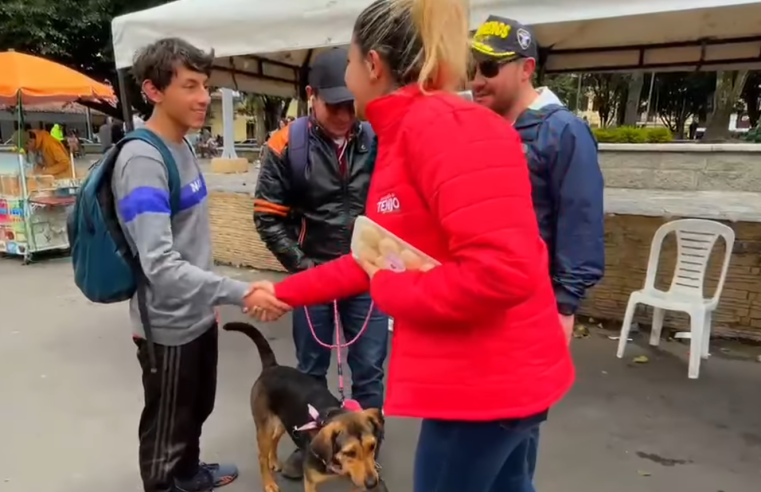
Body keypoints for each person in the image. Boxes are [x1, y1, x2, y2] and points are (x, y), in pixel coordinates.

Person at [245, 1, 574, 491]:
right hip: (486, 382)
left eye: (351, 61)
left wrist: (392, 291)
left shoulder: (446, 130)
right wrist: (285, 293)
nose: (349, 73)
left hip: (488, 386)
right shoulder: (403, 134)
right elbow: (374, 257)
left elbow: (502, 271)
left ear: (373, 65)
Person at [112, 38, 253, 492]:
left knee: (196, 408)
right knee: (166, 428)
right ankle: (165, 483)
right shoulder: (142, 160)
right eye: (189, 85)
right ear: (153, 91)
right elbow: (160, 265)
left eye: (205, 85)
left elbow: (190, 241)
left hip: (197, 314)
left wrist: (211, 302)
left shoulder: (184, 147)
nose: (202, 97)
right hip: (166, 327)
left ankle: (190, 475)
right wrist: (239, 291)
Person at [253, 46, 389, 479]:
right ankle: (309, 448)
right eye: (335, 106)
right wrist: (306, 268)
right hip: (314, 275)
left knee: (369, 369)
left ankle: (367, 453)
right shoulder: (284, 145)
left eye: (352, 103)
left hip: (367, 276)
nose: (346, 114)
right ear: (312, 96)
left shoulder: (378, 138)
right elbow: (268, 217)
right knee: (309, 372)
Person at [470, 16, 605, 343]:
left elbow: (580, 222)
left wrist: (564, 307)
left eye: (488, 68)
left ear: (526, 69)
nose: (476, 81)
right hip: (479, 301)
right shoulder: (482, 128)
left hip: (533, 308)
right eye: (472, 69)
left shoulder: (562, 132)